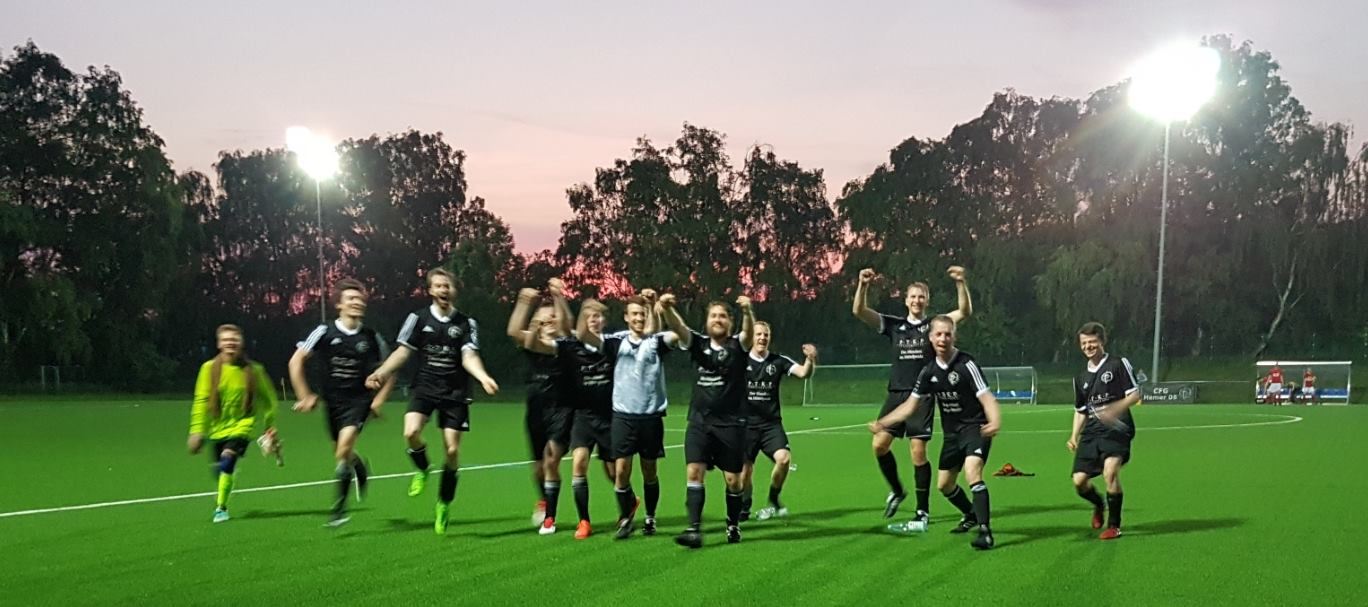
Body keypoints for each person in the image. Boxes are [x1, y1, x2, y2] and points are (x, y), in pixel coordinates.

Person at [365, 268, 499, 535]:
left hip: (455, 392)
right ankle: (423, 468)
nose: (443, 290)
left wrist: (483, 377)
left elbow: (469, 356)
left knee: (452, 451)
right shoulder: (418, 319)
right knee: (410, 433)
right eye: (438, 285)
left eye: (447, 286)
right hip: (425, 387)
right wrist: (382, 372)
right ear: (430, 290)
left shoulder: (466, 323)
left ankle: (444, 503)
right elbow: (403, 352)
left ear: (454, 290)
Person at [852, 266, 971, 523]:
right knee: (879, 445)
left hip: (922, 397)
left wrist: (961, 283)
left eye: (921, 297)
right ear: (905, 300)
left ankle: (922, 510)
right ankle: (897, 490)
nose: (917, 300)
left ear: (927, 301)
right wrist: (863, 285)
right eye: (913, 296)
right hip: (896, 393)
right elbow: (859, 311)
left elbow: (963, 312)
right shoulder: (894, 325)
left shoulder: (934, 326)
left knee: (918, 452)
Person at [871, 315, 1000, 550]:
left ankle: (985, 532)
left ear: (954, 337)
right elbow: (910, 406)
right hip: (952, 434)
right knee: (944, 485)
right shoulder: (928, 371)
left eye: (947, 334)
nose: (943, 339)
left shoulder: (966, 364)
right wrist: (884, 423)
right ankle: (970, 514)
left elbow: (986, 397)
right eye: (938, 334)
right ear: (930, 338)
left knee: (972, 472)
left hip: (975, 428)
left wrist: (995, 420)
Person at [288, 279, 396, 527]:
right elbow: (296, 361)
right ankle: (359, 466)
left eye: (360, 299)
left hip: (359, 402)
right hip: (332, 402)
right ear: (339, 304)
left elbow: (391, 369)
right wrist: (304, 395)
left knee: (343, 448)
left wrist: (378, 401)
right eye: (351, 299)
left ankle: (338, 511)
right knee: (341, 452)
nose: (357, 302)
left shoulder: (371, 337)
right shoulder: (324, 331)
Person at [658, 293, 756, 548]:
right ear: (707, 321)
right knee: (694, 471)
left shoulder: (737, 346)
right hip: (700, 422)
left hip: (731, 424)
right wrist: (667, 308)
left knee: (734, 481)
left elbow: (748, 334)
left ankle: (733, 523)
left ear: (730, 322)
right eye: (713, 316)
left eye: (722, 316)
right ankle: (694, 529)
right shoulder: (698, 344)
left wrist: (747, 311)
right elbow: (679, 327)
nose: (717, 320)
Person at [577, 290, 673, 539]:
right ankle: (626, 518)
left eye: (642, 314)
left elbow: (661, 331)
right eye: (634, 314)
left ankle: (650, 517)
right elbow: (584, 335)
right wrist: (585, 311)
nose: (639, 318)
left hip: (650, 417)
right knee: (620, 472)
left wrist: (655, 306)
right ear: (626, 317)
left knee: (649, 471)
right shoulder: (615, 342)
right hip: (623, 417)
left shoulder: (656, 342)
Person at [524, 296, 618, 539]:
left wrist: (559, 299)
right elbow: (532, 342)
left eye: (597, 316)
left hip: (604, 415)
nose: (593, 320)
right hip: (578, 414)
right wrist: (534, 321)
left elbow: (567, 325)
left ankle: (626, 501)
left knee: (614, 472)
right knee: (561, 462)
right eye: (588, 316)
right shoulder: (567, 345)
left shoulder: (611, 344)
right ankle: (563, 517)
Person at [188, 324, 279, 523]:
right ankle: (226, 480)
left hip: (242, 425)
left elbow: (269, 400)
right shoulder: (208, 369)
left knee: (227, 459)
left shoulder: (254, 370)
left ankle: (221, 508)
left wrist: (268, 428)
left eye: (234, 340)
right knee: (221, 469)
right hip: (217, 427)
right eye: (226, 339)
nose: (230, 343)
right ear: (219, 344)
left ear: (241, 343)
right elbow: (201, 401)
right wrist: (196, 431)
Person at [507, 281, 572, 530]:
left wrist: (558, 297)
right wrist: (524, 302)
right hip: (535, 411)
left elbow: (566, 324)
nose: (549, 323)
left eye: (552, 318)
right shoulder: (532, 343)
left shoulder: (565, 344)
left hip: (563, 409)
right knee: (538, 468)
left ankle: (550, 513)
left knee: (550, 459)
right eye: (543, 321)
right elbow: (514, 331)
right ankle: (544, 500)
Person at [1067, 322, 1140, 540]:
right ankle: (1099, 504)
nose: (1088, 347)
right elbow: (1081, 410)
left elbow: (1135, 394)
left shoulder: (1117, 364)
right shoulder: (1080, 377)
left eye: (1092, 342)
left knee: (1110, 472)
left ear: (1102, 342)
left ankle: (1114, 526)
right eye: (1084, 343)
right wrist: (1074, 435)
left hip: (1117, 428)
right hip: (1092, 431)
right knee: (1079, 481)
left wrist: (1114, 409)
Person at [739, 322, 815, 521]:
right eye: (758, 334)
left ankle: (774, 496)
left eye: (766, 335)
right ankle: (745, 505)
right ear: (751, 337)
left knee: (784, 459)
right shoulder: (740, 360)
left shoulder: (778, 361)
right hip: (746, 425)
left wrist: (810, 359)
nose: (762, 338)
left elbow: (803, 373)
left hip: (770, 425)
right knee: (744, 472)